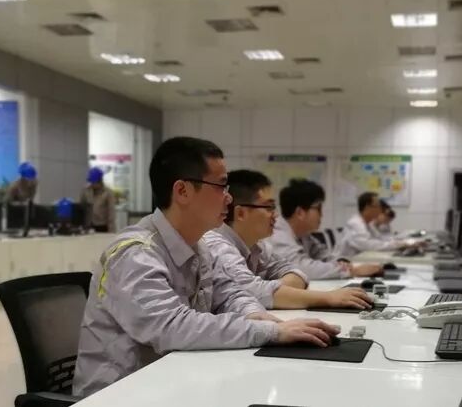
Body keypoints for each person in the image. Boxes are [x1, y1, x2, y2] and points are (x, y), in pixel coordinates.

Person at [72, 137, 338, 397]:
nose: (229, 198)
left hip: (171, 382)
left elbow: (230, 294)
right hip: (120, 395)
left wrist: (260, 318)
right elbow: (173, 327)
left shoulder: (199, 246)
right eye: (221, 186)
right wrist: (270, 332)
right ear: (182, 191)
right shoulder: (135, 253)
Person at [202, 170, 374, 310]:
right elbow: (253, 292)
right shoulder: (217, 245)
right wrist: (329, 298)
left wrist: (275, 289)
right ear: (240, 213)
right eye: (269, 207)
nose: (275, 215)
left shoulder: (258, 245)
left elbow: (296, 271)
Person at [267, 179, 382, 279]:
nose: (322, 215)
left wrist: (345, 264)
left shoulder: (304, 235)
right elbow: (302, 268)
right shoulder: (277, 235)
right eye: (318, 209)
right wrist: (350, 270)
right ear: (300, 212)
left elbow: (324, 256)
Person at [335, 192, 410, 257]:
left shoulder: (369, 224)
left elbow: (380, 239)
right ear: (367, 207)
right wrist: (397, 245)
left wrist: (401, 244)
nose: (380, 210)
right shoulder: (355, 223)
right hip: (345, 263)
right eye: (378, 206)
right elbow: (368, 245)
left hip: (360, 260)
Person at [78, 167, 116, 233]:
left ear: (100, 181)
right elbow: (81, 207)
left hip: (102, 226)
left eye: (94, 182)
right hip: (88, 226)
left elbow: (111, 213)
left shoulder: (108, 193)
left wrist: (111, 231)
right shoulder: (86, 191)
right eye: (91, 182)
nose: (92, 184)